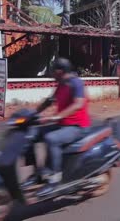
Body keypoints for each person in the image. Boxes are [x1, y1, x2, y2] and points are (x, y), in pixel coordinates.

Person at [22, 58, 91, 196]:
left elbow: (78, 104)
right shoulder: (61, 84)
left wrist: (57, 117)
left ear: (60, 71)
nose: (52, 74)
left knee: (51, 139)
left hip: (77, 127)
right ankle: (37, 175)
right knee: (30, 135)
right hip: (63, 124)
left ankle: (54, 179)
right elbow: (50, 101)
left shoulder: (76, 83)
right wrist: (33, 115)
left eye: (54, 71)